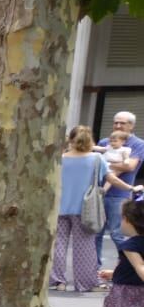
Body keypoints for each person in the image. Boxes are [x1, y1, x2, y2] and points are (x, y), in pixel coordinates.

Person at [52, 126, 106, 293]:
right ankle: (85, 283)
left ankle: (57, 281)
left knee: (58, 245)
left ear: (70, 139)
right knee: (84, 246)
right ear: (91, 140)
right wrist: (130, 188)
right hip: (85, 210)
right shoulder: (97, 158)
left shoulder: (59, 159)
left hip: (59, 207)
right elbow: (109, 178)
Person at [92, 200, 144, 307]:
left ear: (129, 220)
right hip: (140, 292)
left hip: (123, 292)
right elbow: (132, 269)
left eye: (122, 218)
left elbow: (140, 266)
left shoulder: (129, 245)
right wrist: (114, 273)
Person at [101, 111, 143, 259]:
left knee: (117, 234)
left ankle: (128, 266)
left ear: (131, 126)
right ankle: (96, 271)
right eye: (116, 122)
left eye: (122, 123)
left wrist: (106, 164)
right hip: (98, 193)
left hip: (120, 195)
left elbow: (130, 166)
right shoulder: (104, 142)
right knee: (95, 234)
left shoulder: (138, 144)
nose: (118, 125)